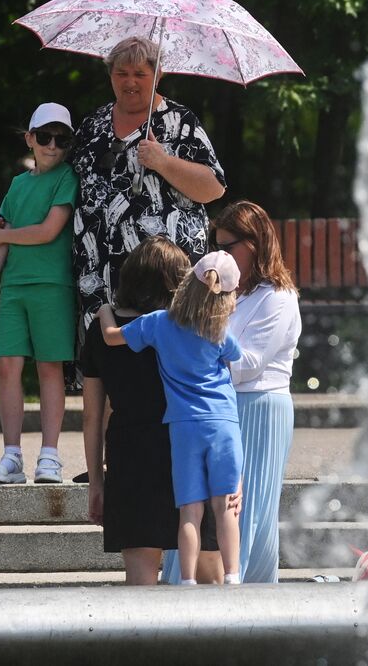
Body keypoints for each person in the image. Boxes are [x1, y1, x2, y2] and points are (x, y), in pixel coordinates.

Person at [69, 36, 227, 387]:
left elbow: (213, 186)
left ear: (158, 76)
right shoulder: (93, 124)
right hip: (100, 278)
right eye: (121, 72)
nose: (129, 82)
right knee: (109, 378)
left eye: (139, 73)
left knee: (161, 377)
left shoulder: (179, 122)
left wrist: (163, 162)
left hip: (162, 281)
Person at [80, 237, 226, 584]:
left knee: (140, 580)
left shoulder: (103, 331)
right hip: (190, 446)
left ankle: (144, 640)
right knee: (210, 574)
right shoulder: (191, 327)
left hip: (131, 456)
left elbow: (90, 415)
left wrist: (97, 482)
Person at [0, 103, 79, 484]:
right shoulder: (18, 184)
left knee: (50, 368)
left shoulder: (67, 177)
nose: (52, 145)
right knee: (6, 366)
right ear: (30, 138)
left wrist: (3, 233)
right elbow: (0, 245)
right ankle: (11, 455)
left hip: (53, 287)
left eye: (61, 138)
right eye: (44, 136)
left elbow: (48, 231)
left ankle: (50, 456)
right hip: (14, 288)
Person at [205, 200, 301, 582]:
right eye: (217, 248)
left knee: (249, 508)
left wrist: (198, 364)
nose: (221, 256)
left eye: (228, 248)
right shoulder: (230, 293)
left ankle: (242, 590)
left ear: (255, 244)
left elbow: (248, 365)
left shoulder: (278, 297)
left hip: (261, 406)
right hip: (224, 404)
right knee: (221, 507)